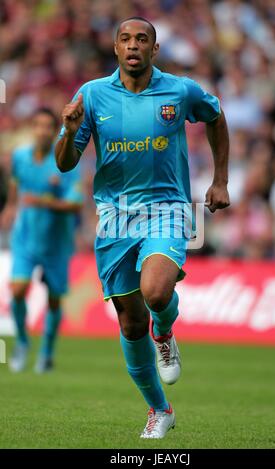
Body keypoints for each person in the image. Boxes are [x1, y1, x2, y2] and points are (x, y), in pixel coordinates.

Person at [55, 17, 230, 438]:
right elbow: (64, 162)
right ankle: (160, 409)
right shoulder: (92, 96)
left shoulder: (180, 91)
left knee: (156, 292)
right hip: (114, 217)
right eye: (125, 39)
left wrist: (220, 179)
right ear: (115, 48)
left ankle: (165, 331)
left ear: (154, 49)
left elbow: (216, 116)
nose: (133, 45)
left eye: (142, 39)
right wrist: (71, 131)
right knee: (130, 325)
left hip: (167, 208)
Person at [5, 108, 83, 373]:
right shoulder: (20, 157)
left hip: (56, 242)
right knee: (17, 290)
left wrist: (45, 202)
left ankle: (47, 352)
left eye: (48, 126)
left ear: (55, 130)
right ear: (32, 128)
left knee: (53, 300)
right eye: (37, 125)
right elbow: (16, 183)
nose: (42, 131)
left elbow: (76, 204)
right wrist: (10, 207)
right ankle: (23, 343)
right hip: (25, 236)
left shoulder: (67, 161)